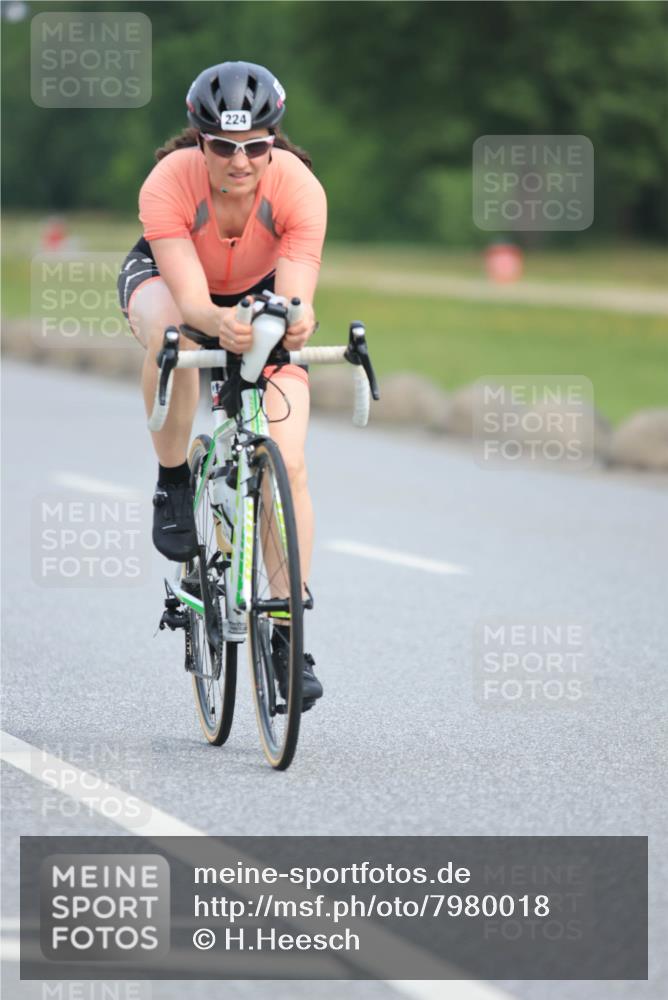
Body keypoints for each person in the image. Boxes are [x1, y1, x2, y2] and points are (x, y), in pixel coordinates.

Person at [116, 61, 326, 705]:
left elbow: (294, 298)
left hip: (256, 293)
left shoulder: (299, 189)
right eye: (223, 147)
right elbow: (193, 300)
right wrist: (217, 326)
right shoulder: (168, 184)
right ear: (199, 141)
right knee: (176, 338)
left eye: (256, 146)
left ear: (274, 140)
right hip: (175, 287)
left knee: (287, 467)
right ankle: (174, 480)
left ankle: (288, 631)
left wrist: (294, 322)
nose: (240, 161)